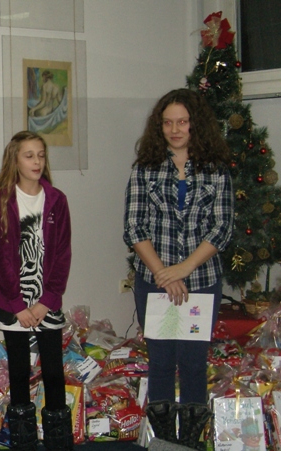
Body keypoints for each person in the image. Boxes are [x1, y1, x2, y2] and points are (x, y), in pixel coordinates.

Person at [124, 88, 233, 448]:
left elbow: (222, 228)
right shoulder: (145, 169)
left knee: (193, 364)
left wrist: (183, 269)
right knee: (160, 362)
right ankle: (163, 443)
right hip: (153, 282)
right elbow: (134, 227)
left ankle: (189, 443)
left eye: (182, 122)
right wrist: (163, 273)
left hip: (201, 281)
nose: (174, 129)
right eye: (167, 123)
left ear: (195, 124)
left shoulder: (216, 170)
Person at [0, 131, 73, 450]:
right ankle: (23, 442)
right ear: (15, 160)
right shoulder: (2, 201)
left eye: (41, 155)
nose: (37, 161)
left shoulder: (57, 200)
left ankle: (58, 442)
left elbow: (62, 255)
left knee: (53, 371)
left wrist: (46, 301)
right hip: (13, 304)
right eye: (29, 155)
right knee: (19, 372)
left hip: (46, 303)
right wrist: (17, 305)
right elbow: (1, 260)